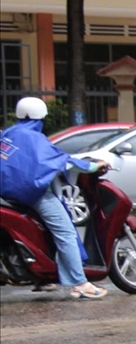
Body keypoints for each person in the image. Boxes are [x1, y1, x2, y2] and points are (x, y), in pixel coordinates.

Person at [0, 97, 108, 299]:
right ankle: (79, 283)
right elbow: (61, 160)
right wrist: (94, 166)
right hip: (34, 194)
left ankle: (43, 278)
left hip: (8, 193)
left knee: (42, 230)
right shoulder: (34, 138)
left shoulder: (10, 133)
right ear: (41, 116)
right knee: (65, 232)